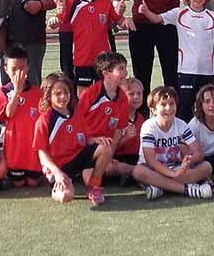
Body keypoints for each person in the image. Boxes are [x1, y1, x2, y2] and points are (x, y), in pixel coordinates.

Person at [137, 0, 214, 121]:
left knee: (207, 112)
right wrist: (146, 11)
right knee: (184, 111)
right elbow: (157, 19)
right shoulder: (179, 13)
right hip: (186, 72)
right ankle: (183, 142)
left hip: (208, 73)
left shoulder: (212, 16)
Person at [48, 0, 134, 91]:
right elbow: (58, 21)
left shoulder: (105, 3)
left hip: (104, 60)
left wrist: (127, 21)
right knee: (84, 96)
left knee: (106, 93)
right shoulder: (72, 4)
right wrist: (53, 20)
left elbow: (120, 21)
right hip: (82, 59)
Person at [33, 72, 115, 205]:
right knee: (66, 196)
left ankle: (94, 186)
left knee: (106, 147)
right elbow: (42, 153)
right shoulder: (44, 120)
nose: (63, 97)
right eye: (57, 94)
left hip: (77, 157)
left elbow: (83, 138)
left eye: (66, 92)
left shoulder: (76, 113)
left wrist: (94, 140)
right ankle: (59, 187)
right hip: (59, 166)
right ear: (48, 96)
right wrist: (57, 173)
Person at [132, 86, 214, 200]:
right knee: (138, 172)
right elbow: (150, 161)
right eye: (163, 104)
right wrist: (173, 174)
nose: (168, 108)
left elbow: (199, 153)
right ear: (153, 109)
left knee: (207, 167)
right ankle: (188, 189)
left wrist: (187, 161)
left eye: (172, 103)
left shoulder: (181, 124)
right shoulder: (148, 126)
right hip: (153, 169)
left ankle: (160, 187)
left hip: (175, 166)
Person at [73, 51, 128, 204]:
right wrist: (90, 139)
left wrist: (111, 155)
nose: (125, 72)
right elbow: (75, 122)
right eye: (121, 69)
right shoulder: (91, 93)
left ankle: (94, 185)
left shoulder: (122, 98)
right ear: (106, 73)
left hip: (102, 149)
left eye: (125, 68)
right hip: (81, 146)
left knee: (109, 161)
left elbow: (118, 130)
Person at [0, 46, 43, 187]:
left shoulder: (36, 91)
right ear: (5, 69)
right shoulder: (3, 92)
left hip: (33, 148)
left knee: (33, 182)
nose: (18, 72)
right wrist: (17, 91)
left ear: (28, 67)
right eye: (14, 69)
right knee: (18, 183)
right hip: (15, 148)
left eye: (22, 68)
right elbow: (8, 114)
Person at [107, 76, 146, 182]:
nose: (136, 97)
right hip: (118, 157)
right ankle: (137, 172)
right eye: (131, 94)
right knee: (108, 167)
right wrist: (126, 137)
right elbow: (110, 146)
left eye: (139, 93)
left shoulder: (141, 118)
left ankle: (134, 174)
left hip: (136, 157)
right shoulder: (115, 118)